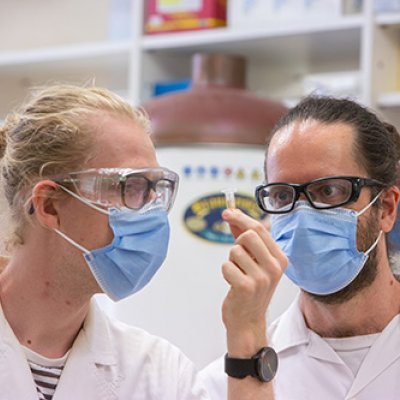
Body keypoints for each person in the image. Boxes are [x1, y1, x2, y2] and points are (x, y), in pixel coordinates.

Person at [0, 84, 286, 400]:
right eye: (131, 188)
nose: (151, 212)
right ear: (50, 205)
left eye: (156, 190)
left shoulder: (158, 372)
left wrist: (247, 330)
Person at [200, 96, 400, 399]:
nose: (303, 216)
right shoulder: (232, 377)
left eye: (329, 191)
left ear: (385, 208)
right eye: (282, 196)